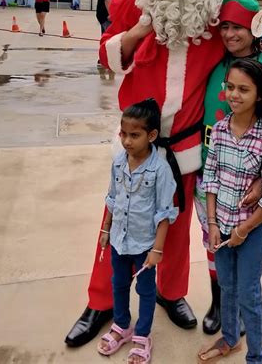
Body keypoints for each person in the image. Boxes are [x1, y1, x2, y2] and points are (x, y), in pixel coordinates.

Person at [65, 0, 228, 347]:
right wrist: (138, 31)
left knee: (174, 225)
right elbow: (106, 55)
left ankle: (169, 293)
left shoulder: (215, 11)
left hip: (186, 146)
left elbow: (248, 39)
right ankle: (100, 302)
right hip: (139, 145)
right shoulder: (131, 4)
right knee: (117, 221)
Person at [195, 0, 262, 337]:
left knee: (241, 249)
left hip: (249, 179)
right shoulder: (217, 64)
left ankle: (237, 311)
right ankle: (220, 303)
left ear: (253, 27)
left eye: (238, 27)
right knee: (213, 242)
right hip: (211, 172)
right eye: (225, 26)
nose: (230, 34)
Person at [198, 58, 262, 364]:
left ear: (259, 95)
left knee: (248, 292)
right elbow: (209, 179)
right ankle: (231, 339)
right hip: (220, 226)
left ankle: (256, 356)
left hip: (252, 230)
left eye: (243, 89)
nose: (234, 94)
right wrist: (212, 224)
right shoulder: (219, 130)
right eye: (230, 87)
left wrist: (243, 230)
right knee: (226, 285)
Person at [97, 99, 178, 363]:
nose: (127, 141)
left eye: (135, 135)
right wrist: (106, 229)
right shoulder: (119, 161)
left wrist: (157, 250)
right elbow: (112, 197)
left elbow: (164, 213)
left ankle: (142, 335)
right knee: (118, 284)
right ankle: (121, 325)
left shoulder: (160, 170)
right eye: (123, 134)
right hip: (119, 241)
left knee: (145, 291)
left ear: (151, 135)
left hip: (144, 246)